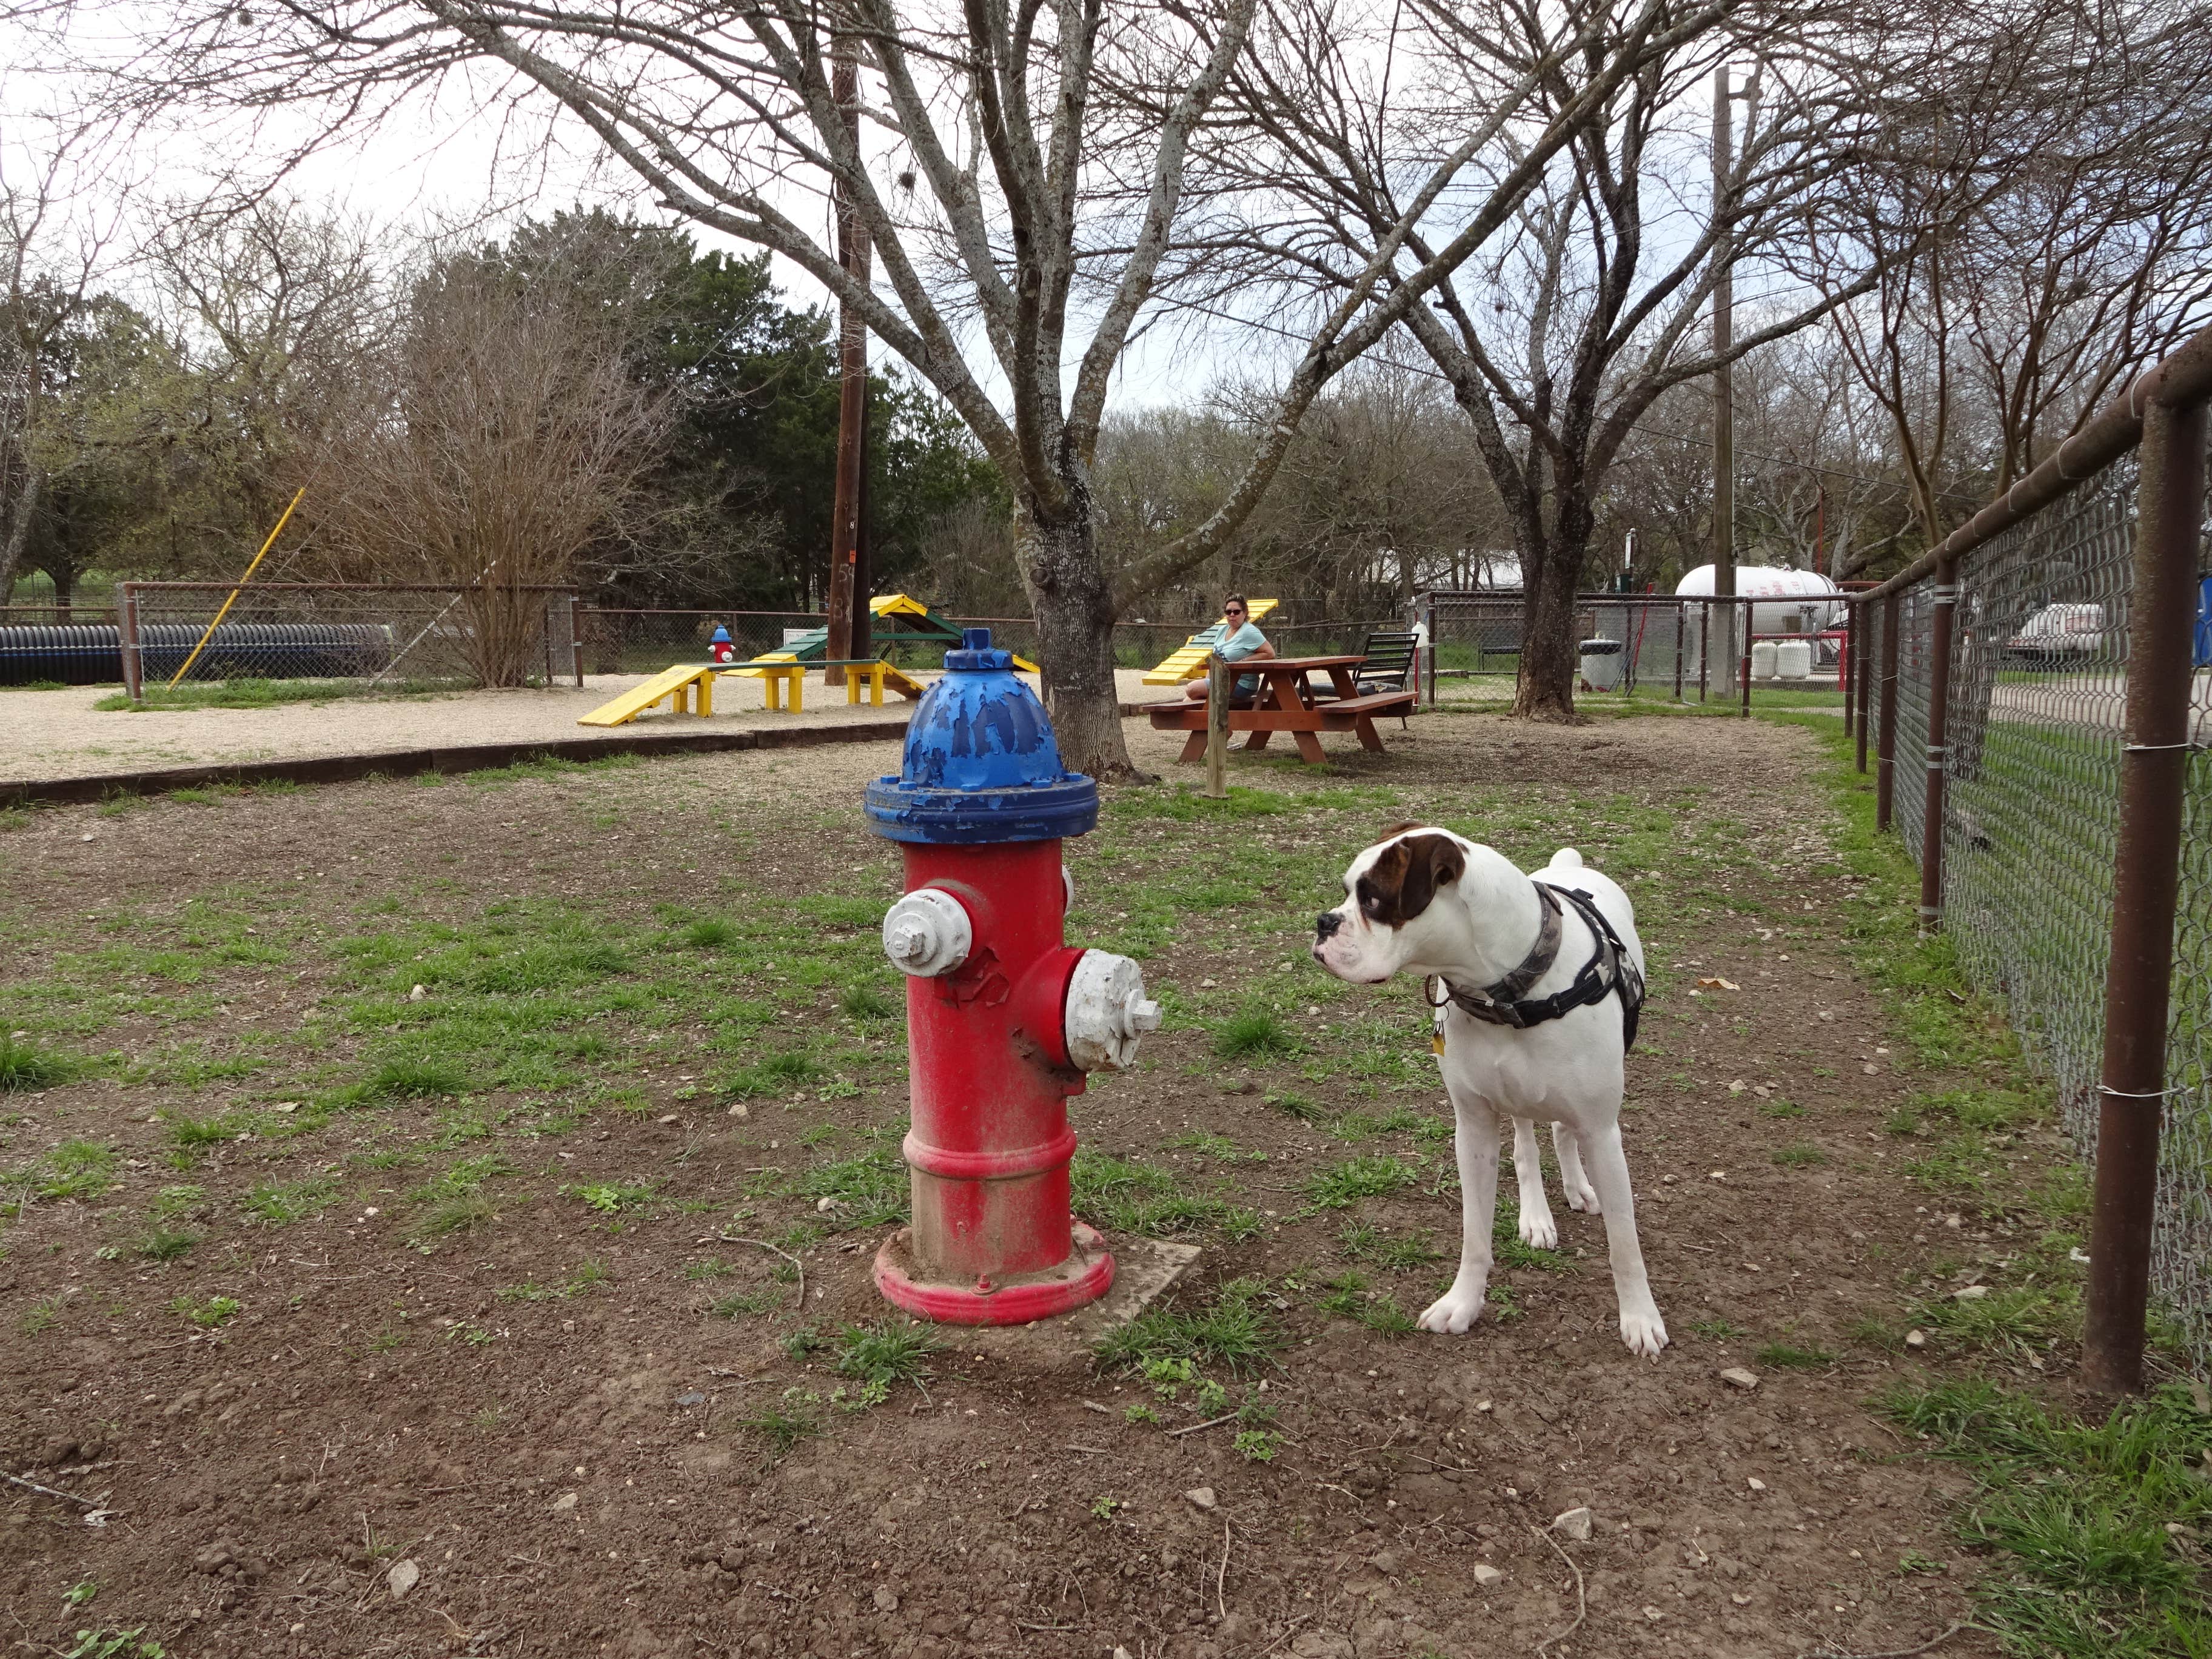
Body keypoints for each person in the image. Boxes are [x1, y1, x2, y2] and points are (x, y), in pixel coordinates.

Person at [1183, 595, 1275, 704]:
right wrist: (1209, 680)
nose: (1232, 615)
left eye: (1236, 612)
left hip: (1241, 684)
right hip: (1220, 679)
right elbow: (1215, 657)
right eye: (1228, 612)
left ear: (1245, 613)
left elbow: (1270, 653)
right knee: (1189, 701)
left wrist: (1243, 662)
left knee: (1192, 689)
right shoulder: (1222, 630)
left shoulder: (1249, 632)